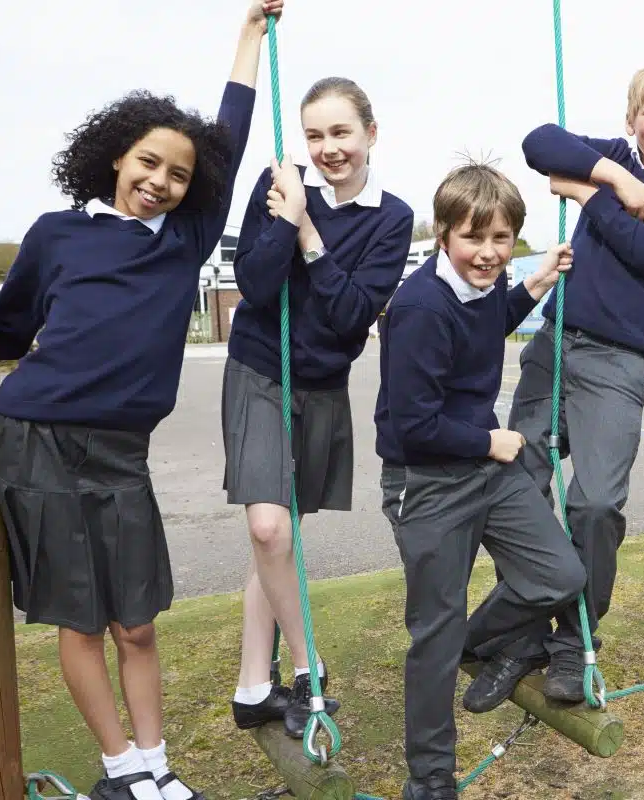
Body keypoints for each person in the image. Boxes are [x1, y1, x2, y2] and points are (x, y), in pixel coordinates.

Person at [0, 3, 280, 798]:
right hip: (38, 438)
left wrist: (249, 36)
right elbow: (3, 330)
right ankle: (120, 770)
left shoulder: (182, 243)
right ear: (116, 157)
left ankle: (154, 766)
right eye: (149, 163)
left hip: (123, 456)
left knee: (138, 622)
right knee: (82, 621)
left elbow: (233, 130)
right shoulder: (56, 233)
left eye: (179, 175)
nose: (159, 182)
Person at [492, 60, 644, 704]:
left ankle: (576, 637)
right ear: (632, 118)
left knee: (593, 503)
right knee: (515, 480)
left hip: (617, 363)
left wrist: (591, 196)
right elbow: (539, 143)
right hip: (554, 344)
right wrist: (614, 175)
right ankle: (527, 617)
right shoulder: (615, 156)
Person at [375, 162, 587, 800]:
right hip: (429, 479)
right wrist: (489, 441)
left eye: (501, 239)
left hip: (484, 470)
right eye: (473, 238)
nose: (489, 254)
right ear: (444, 234)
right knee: (431, 634)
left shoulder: (484, 283)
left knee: (559, 575)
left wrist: (535, 285)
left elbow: (486, 321)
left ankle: (477, 639)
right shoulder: (418, 307)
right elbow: (413, 425)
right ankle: (431, 777)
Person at [224, 76, 413, 738]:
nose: (329, 148)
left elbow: (352, 315)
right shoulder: (280, 184)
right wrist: (286, 210)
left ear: (369, 134)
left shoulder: (393, 218)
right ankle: (307, 669)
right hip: (259, 370)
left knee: (276, 540)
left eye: (341, 133)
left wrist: (307, 229)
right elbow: (254, 284)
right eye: (315, 135)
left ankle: (252, 687)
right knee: (270, 530)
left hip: (323, 386)